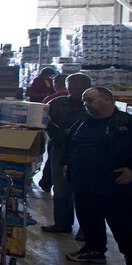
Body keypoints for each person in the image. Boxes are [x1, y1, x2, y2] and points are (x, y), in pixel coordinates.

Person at [63, 87, 132, 265]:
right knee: (89, 220)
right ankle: (94, 251)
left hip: (114, 186)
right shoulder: (83, 122)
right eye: (85, 101)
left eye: (91, 100)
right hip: (84, 184)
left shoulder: (130, 124)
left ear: (108, 100)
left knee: (122, 223)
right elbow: (70, 145)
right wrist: (67, 163)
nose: (86, 104)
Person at [40, 73, 91, 232]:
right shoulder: (57, 103)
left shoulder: (93, 104)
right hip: (60, 151)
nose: (75, 91)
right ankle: (62, 223)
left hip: (85, 154)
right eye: (72, 88)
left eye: (79, 88)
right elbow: (44, 122)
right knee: (61, 190)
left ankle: (87, 228)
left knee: (84, 192)